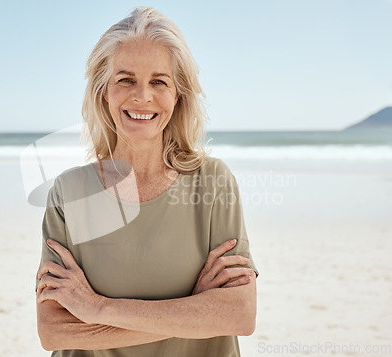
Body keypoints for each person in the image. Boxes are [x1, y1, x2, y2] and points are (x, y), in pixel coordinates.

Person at [35, 7, 258, 357]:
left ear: (177, 94)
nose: (142, 96)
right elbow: (54, 332)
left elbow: (239, 314)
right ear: (103, 91)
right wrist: (194, 310)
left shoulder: (213, 183)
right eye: (125, 79)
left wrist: (97, 309)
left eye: (159, 81)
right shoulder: (69, 194)